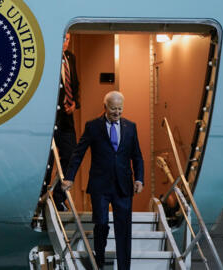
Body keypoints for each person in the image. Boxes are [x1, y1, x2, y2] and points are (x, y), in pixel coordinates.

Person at [62, 91, 144, 270]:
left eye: (120, 109)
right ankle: (99, 261)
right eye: (114, 108)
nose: (117, 112)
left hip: (123, 185)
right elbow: (78, 153)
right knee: (101, 223)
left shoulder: (131, 127)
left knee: (124, 228)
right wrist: (69, 177)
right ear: (105, 107)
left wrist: (139, 179)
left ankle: (124, 267)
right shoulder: (93, 126)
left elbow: (137, 156)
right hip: (100, 185)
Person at [43, 33, 80, 211]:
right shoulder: (48, 58)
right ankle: (41, 198)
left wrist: (75, 104)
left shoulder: (70, 58)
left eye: (67, 39)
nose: (65, 43)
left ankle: (59, 197)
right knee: (47, 160)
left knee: (71, 155)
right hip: (50, 118)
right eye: (62, 39)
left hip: (67, 119)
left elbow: (75, 84)